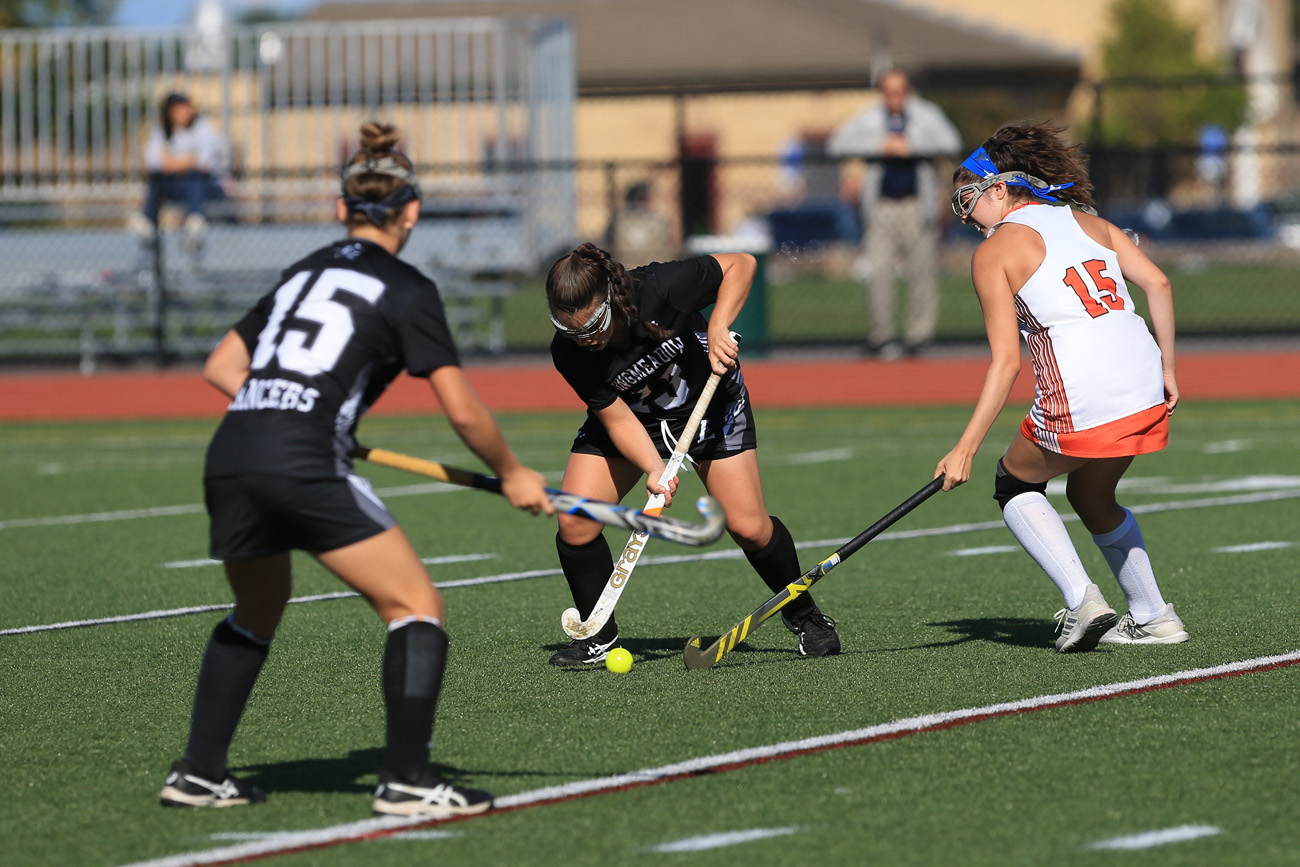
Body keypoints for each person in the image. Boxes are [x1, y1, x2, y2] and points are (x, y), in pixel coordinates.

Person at [159, 123, 554, 816]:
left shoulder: (301, 271)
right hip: (300, 460)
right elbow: (462, 412)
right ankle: (407, 778)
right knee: (415, 608)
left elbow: (220, 365)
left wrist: (291, 407)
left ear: (341, 209)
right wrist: (515, 472)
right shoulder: (407, 288)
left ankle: (199, 771)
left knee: (256, 609)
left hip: (232, 452)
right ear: (413, 212)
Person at [934, 121, 1189, 654]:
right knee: (1091, 494)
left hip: (1083, 392)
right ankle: (1153, 616)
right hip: (1143, 383)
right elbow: (1158, 284)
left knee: (1013, 484)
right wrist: (1167, 369)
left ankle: (1083, 602)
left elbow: (1007, 362)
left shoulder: (994, 251)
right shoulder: (1090, 222)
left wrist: (965, 448)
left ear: (999, 188)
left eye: (967, 199)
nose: (964, 216)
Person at [544, 242, 840, 666]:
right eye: (574, 332)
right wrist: (653, 467)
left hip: (709, 404)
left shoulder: (659, 288)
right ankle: (597, 635)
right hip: (635, 419)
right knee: (575, 521)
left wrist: (718, 326)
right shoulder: (568, 352)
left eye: (594, 327)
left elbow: (742, 264)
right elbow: (616, 420)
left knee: (750, 528)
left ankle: (807, 618)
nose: (587, 341)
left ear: (610, 296)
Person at [827, 69, 961, 359]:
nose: (894, 98)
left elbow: (951, 142)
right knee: (879, 272)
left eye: (900, 91)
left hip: (917, 206)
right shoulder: (870, 118)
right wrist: (879, 146)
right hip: (881, 206)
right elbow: (836, 145)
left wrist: (912, 147)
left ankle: (918, 338)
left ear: (909, 91)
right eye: (888, 92)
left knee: (922, 272)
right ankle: (882, 337)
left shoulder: (926, 114)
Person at [128, 93, 231, 248]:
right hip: (177, 186)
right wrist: (187, 160)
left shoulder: (203, 128)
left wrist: (172, 162)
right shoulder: (161, 132)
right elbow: (155, 163)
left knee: (195, 177)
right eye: (178, 110)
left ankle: (195, 221)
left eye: (185, 109)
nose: (184, 113)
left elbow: (203, 163)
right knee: (157, 180)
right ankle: (148, 221)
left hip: (208, 187)